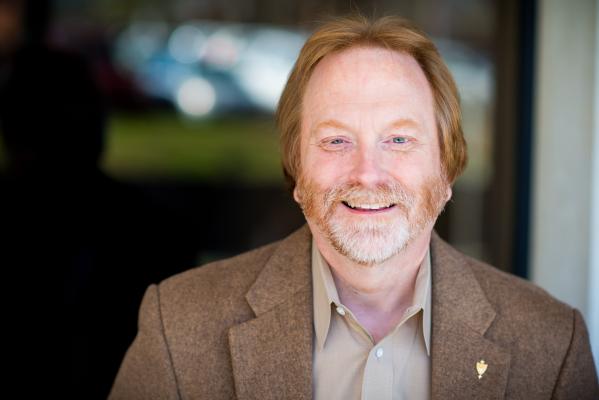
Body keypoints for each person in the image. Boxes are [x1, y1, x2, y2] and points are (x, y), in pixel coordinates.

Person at [108, 14, 598, 399]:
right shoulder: (180, 327)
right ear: (296, 170)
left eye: (399, 140)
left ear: (447, 171)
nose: (367, 173)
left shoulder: (551, 345)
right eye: (336, 140)